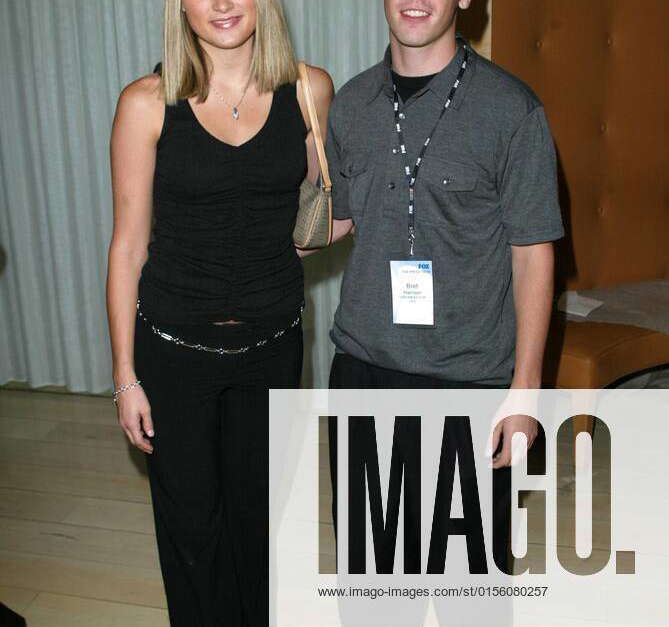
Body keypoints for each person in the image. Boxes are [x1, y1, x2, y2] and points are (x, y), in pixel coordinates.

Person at [106, 1, 333, 625]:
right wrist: (125, 375)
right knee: (191, 533)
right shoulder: (145, 103)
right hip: (173, 353)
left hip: (273, 346)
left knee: (259, 520)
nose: (224, 3)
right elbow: (128, 247)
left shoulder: (311, 91)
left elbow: (321, 216)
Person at [326, 0, 564, 594]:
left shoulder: (512, 110)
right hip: (363, 373)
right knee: (373, 588)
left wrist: (525, 392)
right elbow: (329, 224)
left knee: (469, 591)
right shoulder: (350, 103)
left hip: (471, 383)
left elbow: (534, 252)